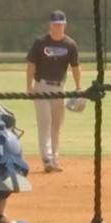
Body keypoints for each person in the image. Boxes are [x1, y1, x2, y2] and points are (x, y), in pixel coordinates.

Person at [25, 10, 82, 173]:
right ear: (50, 25)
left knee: (56, 125)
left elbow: (76, 67)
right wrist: (29, 86)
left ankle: (54, 159)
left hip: (59, 88)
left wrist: (78, 87)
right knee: (45, 122)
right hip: (42, 87)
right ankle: (47, 159)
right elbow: (31, 66)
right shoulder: (40, 43)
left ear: (65, 25)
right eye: (55, 24)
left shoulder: (70, 44)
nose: (57, 27)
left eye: (60, 24)